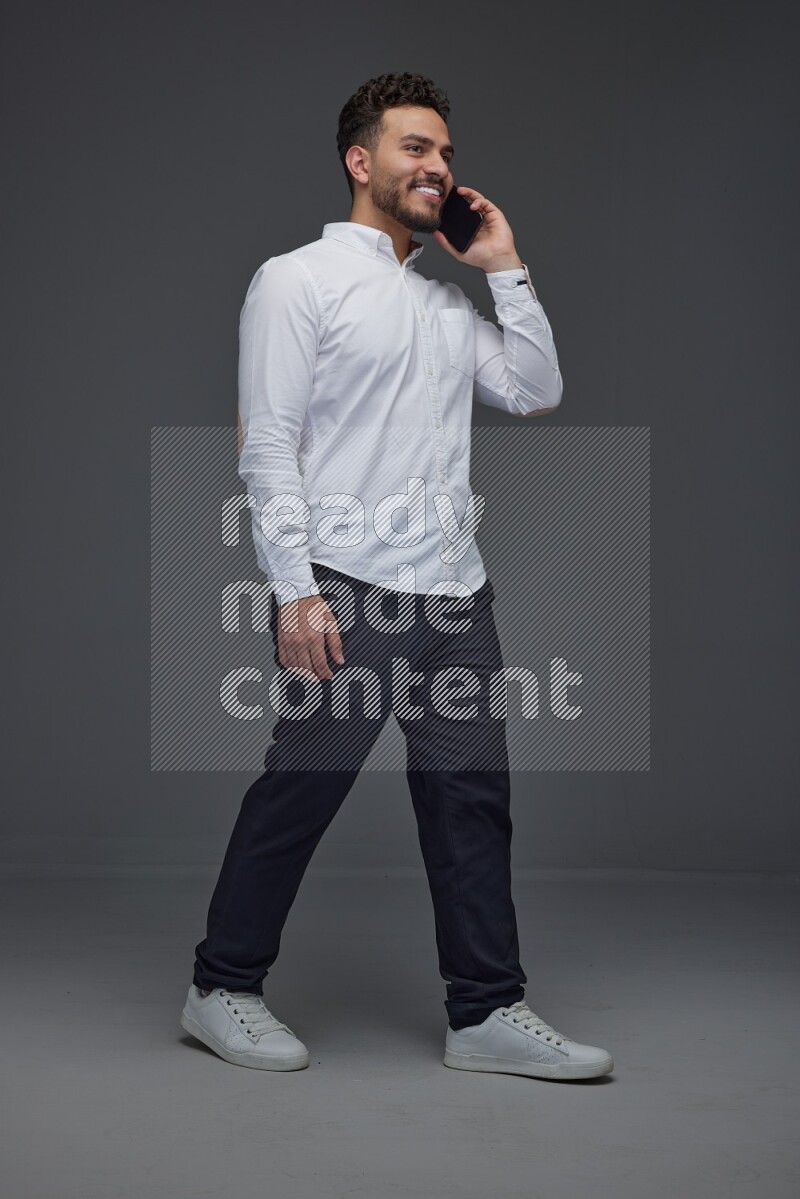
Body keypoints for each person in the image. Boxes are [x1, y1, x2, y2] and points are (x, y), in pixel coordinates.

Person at [180, 72, 614, 1080]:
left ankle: (484, 1010)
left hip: (455, 596)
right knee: (302, 787)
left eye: (447, 153)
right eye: (416, 148)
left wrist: (502, 267)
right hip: (347, 587)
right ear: (359, 160)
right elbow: (269, 441)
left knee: (471, 801)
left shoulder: (443, 306)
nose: (438, 167)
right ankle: (220, 985)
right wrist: (292, 587)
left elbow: (537, 390)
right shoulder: (296, 281)